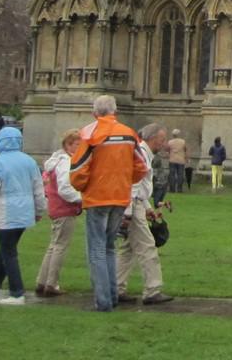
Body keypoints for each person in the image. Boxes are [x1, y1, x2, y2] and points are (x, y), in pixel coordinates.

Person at [68, 94, 148, 312]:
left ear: (95, 114)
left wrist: (85, 186)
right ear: (115, 112)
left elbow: (77, 170)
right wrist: (123, 180)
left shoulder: (89, 134)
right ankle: (112, 296)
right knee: (110, 247)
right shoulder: (129, 134)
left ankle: (102, 301)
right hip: (120, 197)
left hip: (97, 198)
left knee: (96, 249)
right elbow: (142, 167)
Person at [0, 125, 47, 306]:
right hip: (25, 213)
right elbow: (38, 189)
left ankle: (17, 293)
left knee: (9, 253)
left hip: (6, 213)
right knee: (6, 249)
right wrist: (39, 211)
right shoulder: (29, 162)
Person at [116, 122, 173, 306]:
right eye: (162, 140)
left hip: (136, 204)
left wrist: (147, 207)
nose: (163, 144)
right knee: (148, 246)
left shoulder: (143, 154)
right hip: (132, 205)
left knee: (128, 249)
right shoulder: (140, 154)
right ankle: (152, 290)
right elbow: (132, 185)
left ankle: (116, 287)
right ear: (152, 138)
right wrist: (129, 212)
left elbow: (140, 187)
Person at [35, 128, 84, 296]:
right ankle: (51, 283)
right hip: (64, 207)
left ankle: (42, 281)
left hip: (56, 206)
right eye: (77, 144)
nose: (80, 148)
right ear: (68, 145)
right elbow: (65, 188)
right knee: (60, 246)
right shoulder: (66, 162)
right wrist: (81, 199)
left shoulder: (56, 160)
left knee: (54, 245)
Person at [167, 129, 188, 193]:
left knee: (172, 174)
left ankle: (172, 189)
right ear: (179, 134)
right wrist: (186, 158)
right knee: (180, 175)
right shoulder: (183, 142)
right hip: (181, 160)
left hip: (172, 160)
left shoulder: (170, 142)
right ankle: (179, 189)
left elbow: (167, 150)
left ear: (173, 135)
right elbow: (185, 150)